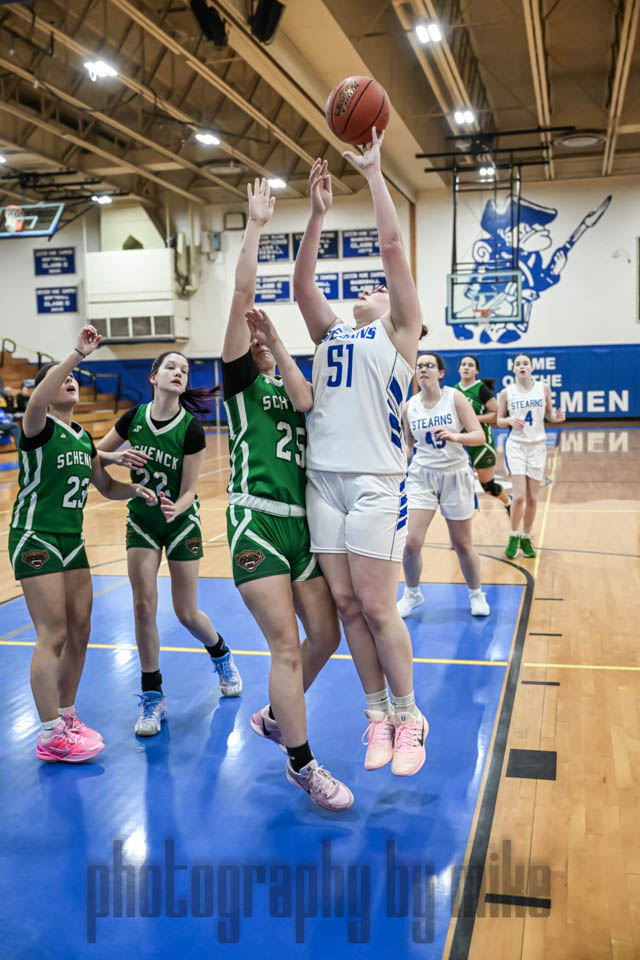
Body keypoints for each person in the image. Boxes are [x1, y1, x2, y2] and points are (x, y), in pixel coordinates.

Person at [293, 129, 428, 778]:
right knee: (347, 606)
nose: (373, 286)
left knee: (377, 606)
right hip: (324, 483)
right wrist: (316, 213)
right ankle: (376, 716)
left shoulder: (399, 335)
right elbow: (302, 287)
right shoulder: (331, 333)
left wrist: (375, 174)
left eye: (381, 287)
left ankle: (410, 716)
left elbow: (393, 247)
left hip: (376, 481)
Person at [222, 177, 352, 811]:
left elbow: (305, 399)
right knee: (284, 648)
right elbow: (242, 295)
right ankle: (302, 764)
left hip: (302, 527)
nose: (254, 339)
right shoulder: (240, 384)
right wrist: (255, 224)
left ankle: (275, 716)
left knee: (325, 637)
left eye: (260, 339)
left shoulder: (288, 384)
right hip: (256, 521)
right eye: (249, 339)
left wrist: (277, 341)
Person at [8, 325, 157, 762]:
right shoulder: (36, 425)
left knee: (80, 631)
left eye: (73, 377)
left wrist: (136, 491)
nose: (70, 380)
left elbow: (105, 486)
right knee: (52, 632)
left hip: (71, 540)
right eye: (63, 378)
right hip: (36, 535)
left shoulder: (81, 436)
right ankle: (49, 734)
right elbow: (37, 399)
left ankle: (66, 714)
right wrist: (76, 354)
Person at [97, 352, 241, 737]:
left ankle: (221, 654)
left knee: (186, 612)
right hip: (142, 521)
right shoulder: (133, 419)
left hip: (180, 522)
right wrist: (115, 456)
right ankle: (152, 695)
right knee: (143, 608)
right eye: (171, 367)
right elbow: (95, 456)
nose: (179, 373)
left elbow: (190, 490)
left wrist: (176, 507)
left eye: (184, 370)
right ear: (153, 376)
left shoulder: (191, 429)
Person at [396, 353, 490, 618]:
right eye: (419, 366)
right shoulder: (409, 406)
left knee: (462, 543)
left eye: (429, 365)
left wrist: (455, 436)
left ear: (440, 373)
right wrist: (398, 462)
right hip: (421, 475)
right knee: (411, 542)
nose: (423, 369)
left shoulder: (454, 398)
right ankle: (412, 593)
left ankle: (476, 594)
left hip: (454, 474)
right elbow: (410, 445)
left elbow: (479, 436)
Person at [497, 353, 566, 558]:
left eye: (525, 363)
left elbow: (549, 414)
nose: (522, 366)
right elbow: (499, 420)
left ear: (531, 367)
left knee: (533, 498)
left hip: (537, 446)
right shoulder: (506, 393)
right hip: (516, 446)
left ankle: (526, 538)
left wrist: (556, 417)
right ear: (513, 369)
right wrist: (509, 420)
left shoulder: (543, 388)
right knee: (518, 497)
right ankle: (513, 536)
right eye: (518, 364)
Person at [453, 354, 511, 513]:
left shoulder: (481, 389)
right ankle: (465, 513)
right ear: (458, 369)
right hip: (462, 442)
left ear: (476, 371)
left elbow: (498, 414)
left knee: (488, 487)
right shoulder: (454, 390)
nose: (466, 367)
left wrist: (472, 419)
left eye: (470, 365)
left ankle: (508, 502)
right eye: (463, 364)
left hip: (482, 442)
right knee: (460, 482)